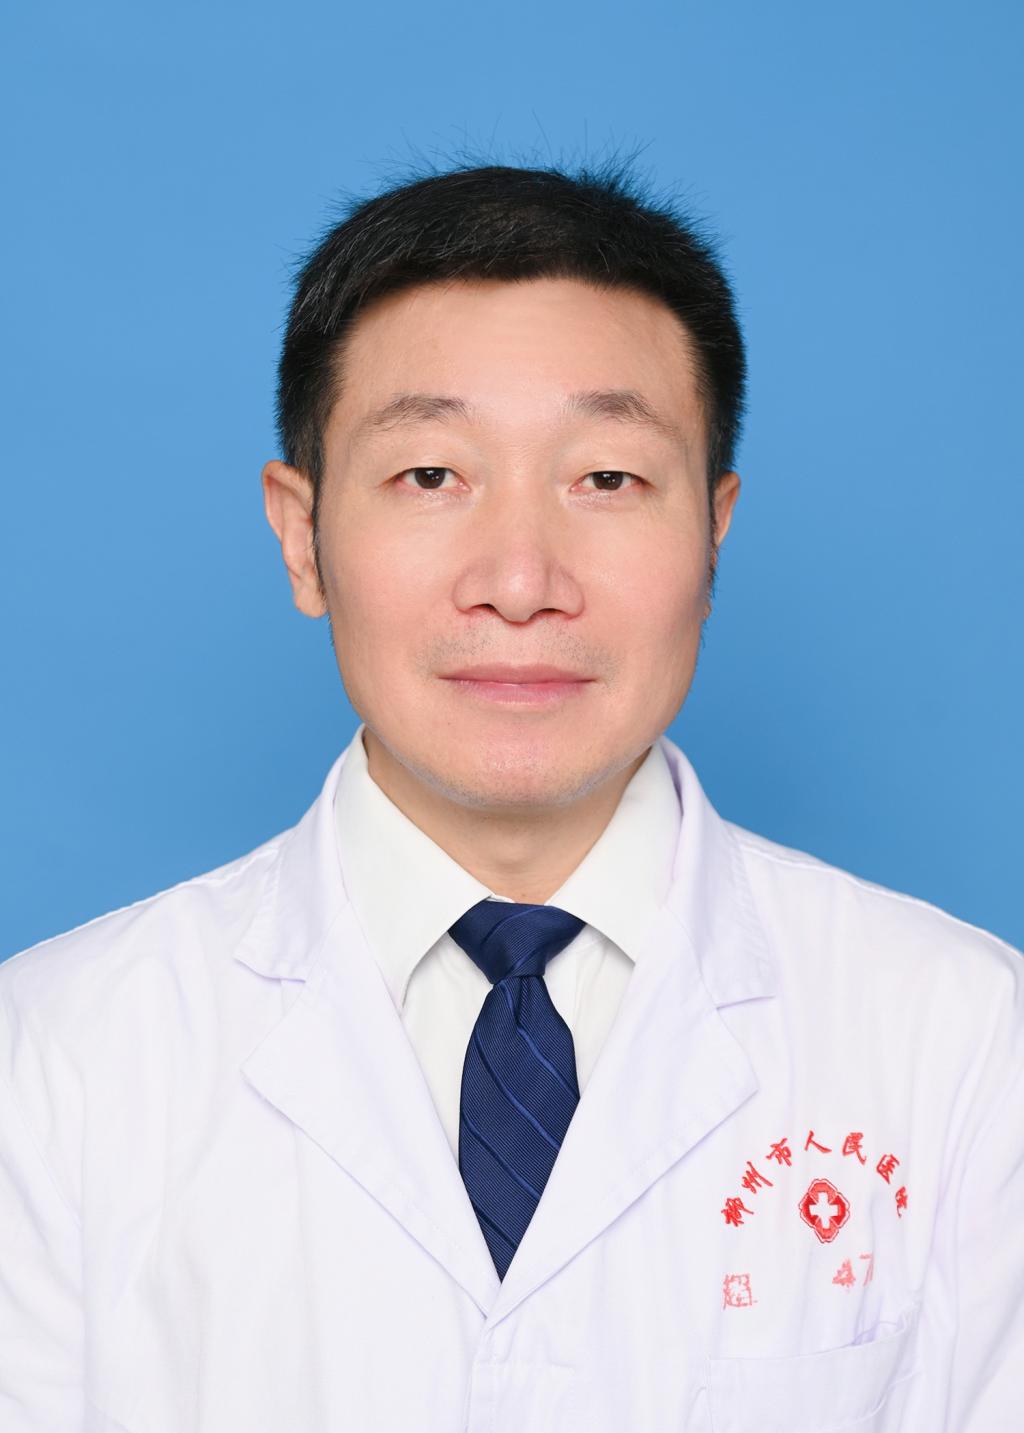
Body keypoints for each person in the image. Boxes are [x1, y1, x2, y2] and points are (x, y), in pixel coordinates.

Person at [0, 159, 1020, 1433]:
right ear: (300, 536)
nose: (521, 579)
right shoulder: (53, 1057)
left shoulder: (967, 1040)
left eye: (607, 478)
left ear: (714, 531)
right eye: (432, 475)